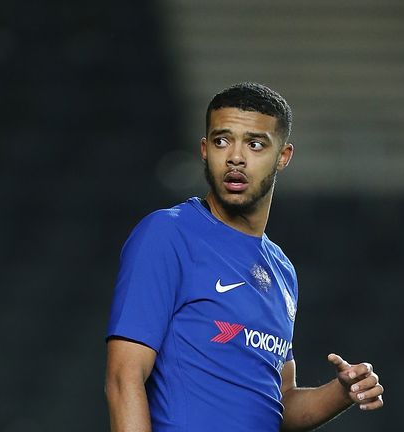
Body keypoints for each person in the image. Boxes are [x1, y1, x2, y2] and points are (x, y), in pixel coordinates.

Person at [105, 82, 384, 431]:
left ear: (283, 157)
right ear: (205, 149)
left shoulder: (281, 269)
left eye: (254, 144)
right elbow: (123, 378)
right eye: (223, 141)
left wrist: (342, 392)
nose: (235, 157)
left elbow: (278, 403)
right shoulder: (168, 235)